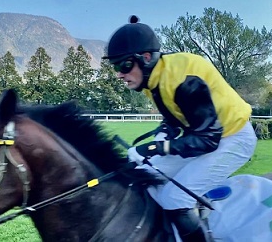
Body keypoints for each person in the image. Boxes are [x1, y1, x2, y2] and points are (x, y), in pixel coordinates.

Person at [103, 15, 257, 242]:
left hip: (233, 138)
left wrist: (154, 148)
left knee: (175, 199)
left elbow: (207, 141)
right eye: (116, 67)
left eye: (124, 65)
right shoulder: (153, 80)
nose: (119, 74)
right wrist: (162, 136)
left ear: (145, 58)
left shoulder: (184, 81)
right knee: (144, 176)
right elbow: (176, 120)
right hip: (208, 136)